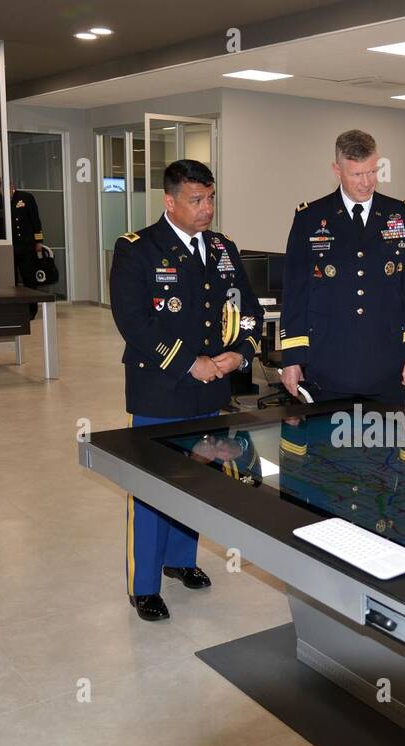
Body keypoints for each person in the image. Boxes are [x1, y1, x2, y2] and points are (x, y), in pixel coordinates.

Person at [109, 159, 263, 622]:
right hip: (160, 388)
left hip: (211, 389)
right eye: (196, 200)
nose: (206, 209)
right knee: (153, 486)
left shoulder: (222, 248)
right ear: (169, 201)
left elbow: (249, 310)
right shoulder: (137, 248)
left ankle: (181, 560)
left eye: (210, 198)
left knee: (197, 480)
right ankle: (145, 585)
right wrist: (186, 363)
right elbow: (133, 321)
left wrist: (241, 353)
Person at [279, 129, 405, 406]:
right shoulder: (310, 218)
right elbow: (295, 295)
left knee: (385, 443)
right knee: (327, 446)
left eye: (372, 172)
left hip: (385, 363)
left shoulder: (402, 215)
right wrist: (293, 358)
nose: (366, 182)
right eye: (357, 174)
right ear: (337, 170)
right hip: (327, 363)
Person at [0, 182, 44, 288]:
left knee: (29, 278)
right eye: (1, 188)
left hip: (26, 244)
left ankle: (31, 304)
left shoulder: (26, 197)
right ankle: (15, 304)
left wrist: (38, 241)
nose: (4, 191)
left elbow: (35, 220)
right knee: (10, 279)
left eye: (7, 187)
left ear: (12, 187)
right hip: (8, 246)